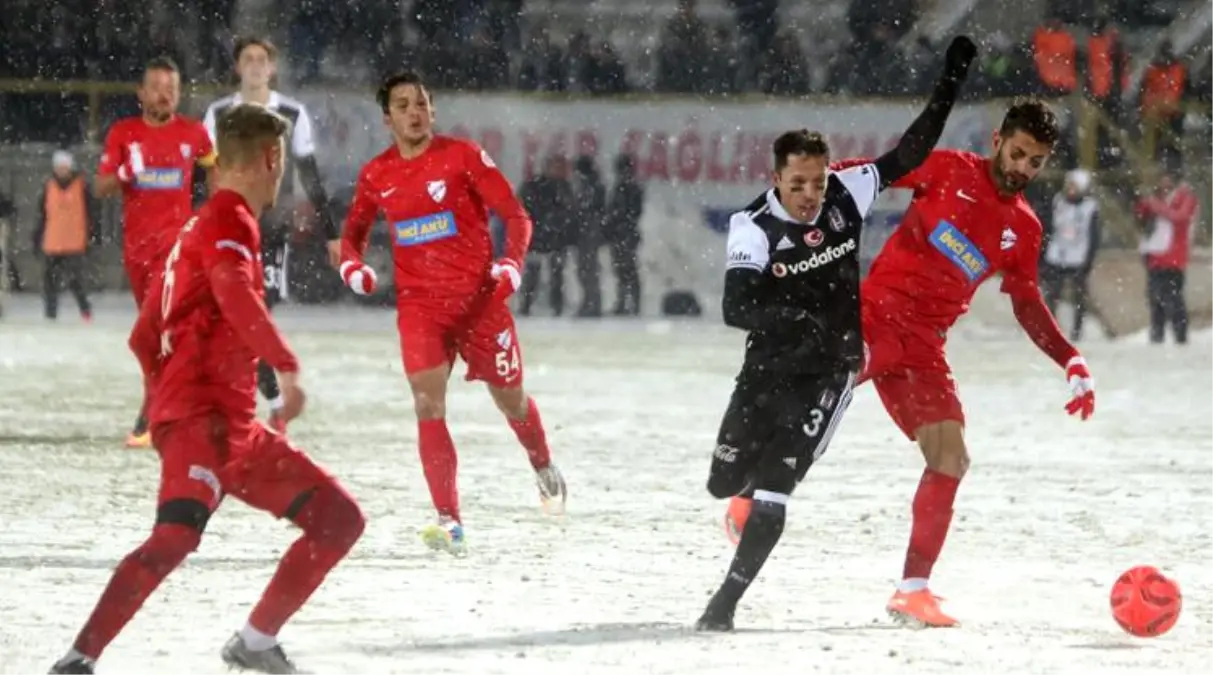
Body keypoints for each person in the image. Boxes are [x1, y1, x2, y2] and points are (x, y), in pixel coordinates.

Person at [729, 98, 1098, 628]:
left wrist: (1071, 358)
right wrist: (798, 195)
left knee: (950, 456)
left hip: (925, 346)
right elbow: (862, 177)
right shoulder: (948, 169)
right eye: (1017, 153)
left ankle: (913, 590)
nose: (1023, 168)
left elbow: (1026, 301)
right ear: (998, 140)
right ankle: (750, 494)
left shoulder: (1025, 228)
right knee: (816, 393)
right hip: (873, 318)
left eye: (1035, 162)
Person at [48, 104, 365, 675]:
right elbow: (234, 292)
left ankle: (256, 641)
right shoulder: (229, 218)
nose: (282, 179)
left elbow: (144, 334)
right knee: (174, 536)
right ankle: (76, 660)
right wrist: (285, 367)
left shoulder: (199, 224)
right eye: (281, 167)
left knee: (339, 519)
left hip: (230, 425)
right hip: (203, 421)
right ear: (272, 159)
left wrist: (162, 395)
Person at [695, 36, 976, 632]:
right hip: (767, 368)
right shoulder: (753, 225)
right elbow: (735, 307)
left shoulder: (848, 194)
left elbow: (910, 150)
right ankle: (743, 493)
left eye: (817, 184)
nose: (809, 196)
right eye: (798, 185)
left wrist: (950, 81)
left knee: (777, 488)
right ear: (776, 179)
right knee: (724, 482)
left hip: (826, 372)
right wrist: (793, 319)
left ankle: (725, 603)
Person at [340, 71, 566, 556]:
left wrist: (511, 261)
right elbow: (353, 232)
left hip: (481, 306)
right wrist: (350, 265)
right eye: (402, 106)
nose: (414, 112)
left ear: (432, 110)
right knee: (427, 403)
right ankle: (449, 521)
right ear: (388, 119)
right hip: (421, 309)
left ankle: (541, 461)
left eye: (421, 103)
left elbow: (517, 215)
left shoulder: (462, 157)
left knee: (512, 402)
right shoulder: (377, 174)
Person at [203, 36, 340, 432]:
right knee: (237, 318)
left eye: (262, 59)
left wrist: (331, 233)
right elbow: (202, 173)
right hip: (228, 228)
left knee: (254, 317)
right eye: (248, 59)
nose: (256, 66)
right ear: (237, 67)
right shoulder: (218, 113)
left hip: (272, 231)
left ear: (272, 68)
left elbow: (309, 173)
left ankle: (266, 405)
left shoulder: (292, 113)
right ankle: (270, 406)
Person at [97, 56, 216, 448]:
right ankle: (182, 407)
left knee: (153, 335)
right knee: (158, 336)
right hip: (138, 255)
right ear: (141, 93)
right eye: (158, 88)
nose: (166, 95)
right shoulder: (124, 133)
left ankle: (152, 415)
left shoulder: (194, 133)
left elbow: (215, 175)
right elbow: (100, 188)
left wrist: (213, 218)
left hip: (177, 254)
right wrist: (125, 175)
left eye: (172, 89)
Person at [33, 150, 97, 322]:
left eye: (65, 167)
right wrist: (37, 237)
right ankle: (50, 314)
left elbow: (92, 214)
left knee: (76, 281)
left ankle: (85, 311)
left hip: (75, 241)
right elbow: (42, 215)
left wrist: (92, 236)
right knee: (49, 282)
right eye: (59, 167)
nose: (62, 171)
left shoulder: (82, 186)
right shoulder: (48, 186)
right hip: (52, 241)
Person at [1135, 166, 1197, 345]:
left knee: (1174, 298)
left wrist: (1158, 207)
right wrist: (1144, 205)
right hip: (1154, 255)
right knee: (1155, 298)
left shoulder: (1186, 197)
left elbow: (1181, 217)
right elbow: (1141, 215)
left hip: (1174, 256)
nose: (1164, 183)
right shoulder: (1157, 196)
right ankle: (1157, 335)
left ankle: (1180, 336)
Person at [1041, 168, 1100, 341]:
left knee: (1079, 295)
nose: (1071, 189)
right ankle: (1049, 329)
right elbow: (1049, 226)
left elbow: (1094, 235)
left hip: (1078, 256)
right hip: (1057, 253)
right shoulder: (1058, 201)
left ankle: (1077, 331)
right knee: (1052, 293)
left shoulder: (1090, 208)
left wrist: (1089, 259)